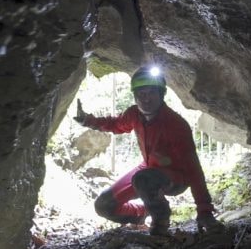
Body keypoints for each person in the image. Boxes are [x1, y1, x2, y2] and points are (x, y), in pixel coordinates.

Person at [74, 65, 221, 236]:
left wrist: (204, 210)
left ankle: (161, 220)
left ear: (161, 94)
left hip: (176, 176)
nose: (146, 99)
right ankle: (142, 212)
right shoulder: (134, 114)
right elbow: (116, 124)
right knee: (103, 205)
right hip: (149, 169)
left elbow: (193, 169)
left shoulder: (175, 125)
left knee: (143, 178)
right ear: (135, 96)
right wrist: (87, 120)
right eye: (141, 94)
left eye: (151, 93)